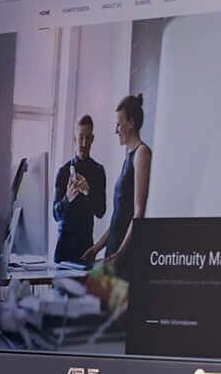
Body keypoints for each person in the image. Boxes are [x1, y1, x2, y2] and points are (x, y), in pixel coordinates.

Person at [86, 93, 153, 276]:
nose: (116, 130)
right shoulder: (128, 158)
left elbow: (138, 214)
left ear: (131, 123)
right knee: (93, 294)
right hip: (113, 254)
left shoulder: (142, 153)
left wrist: (120, 255)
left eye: (118, 124)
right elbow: (119, 218)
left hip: (124, 259)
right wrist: (96, 248)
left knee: (101, 294)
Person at [52, 114, 107, 266]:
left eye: (88, 138)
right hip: (64, 248)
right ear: (74, 138)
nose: (84, 143)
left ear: (93, 139)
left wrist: (89, 193)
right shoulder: (63, 172)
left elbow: (101, 211)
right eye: (81, 137)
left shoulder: (98, 171)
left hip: (86, 248)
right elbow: (55, 214)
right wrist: (67, 199)